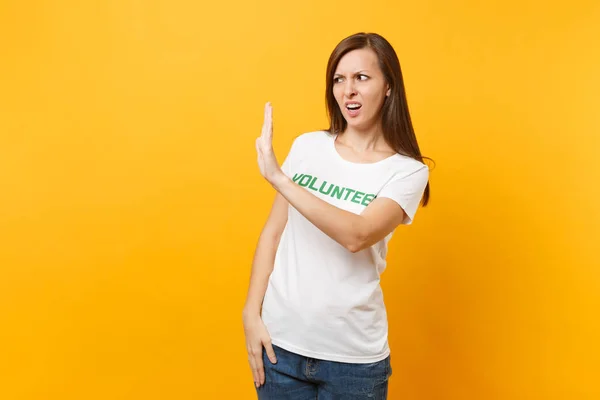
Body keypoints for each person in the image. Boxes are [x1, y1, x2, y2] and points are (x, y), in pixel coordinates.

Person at [243, 32, 432, 400]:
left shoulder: (407, 171)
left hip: (353, 364)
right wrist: (251, 313)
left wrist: (280, 179)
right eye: (339, 79)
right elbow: (272, 234)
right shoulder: (308, 147)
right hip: (280, 350)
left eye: (362, 78)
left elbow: (356, 235)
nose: (348, 91)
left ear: (389, 86)